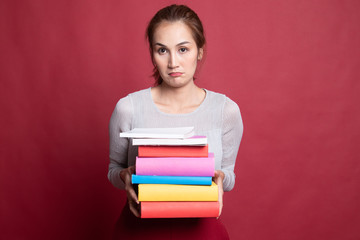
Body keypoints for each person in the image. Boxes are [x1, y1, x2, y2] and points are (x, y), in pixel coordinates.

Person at [108, 4, 243, 239]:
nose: (173, 63)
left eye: (183, 49)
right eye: (162, 50)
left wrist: (220, 177)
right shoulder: (128, 108)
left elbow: (228, 176)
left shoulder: (226, 111)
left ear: (199, 51)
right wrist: (124, 176)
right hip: (139, 230)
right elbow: (114, 169)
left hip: (202, 232)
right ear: (152, 53)